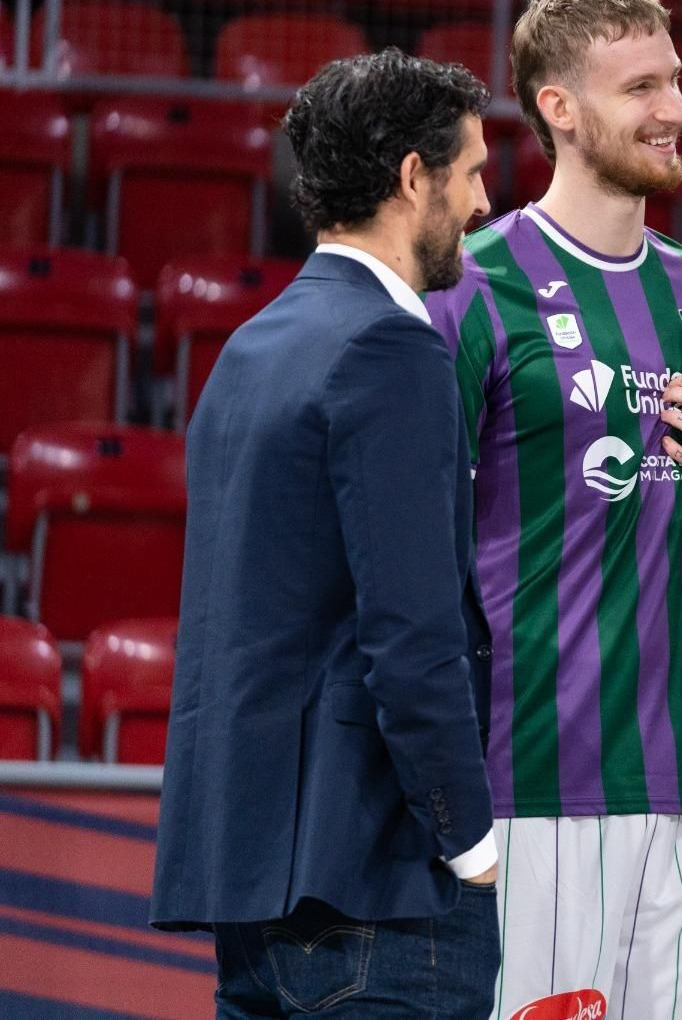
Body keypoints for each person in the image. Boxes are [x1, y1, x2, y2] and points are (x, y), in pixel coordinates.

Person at [151, 49, 502, 1019]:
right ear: (413, 177)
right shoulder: (392, 349)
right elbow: (413, 637)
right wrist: (470, 841)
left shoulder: (250, 346)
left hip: (251, 883)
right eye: (474, 172)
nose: (484, 204)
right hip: (379, 890)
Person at [424, 0, 682, 1020]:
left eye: (675, 81)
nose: (673, 108)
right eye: (640, 86)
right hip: (535, 779)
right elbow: (422, 547)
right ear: (558, 107)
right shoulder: (473, 283)